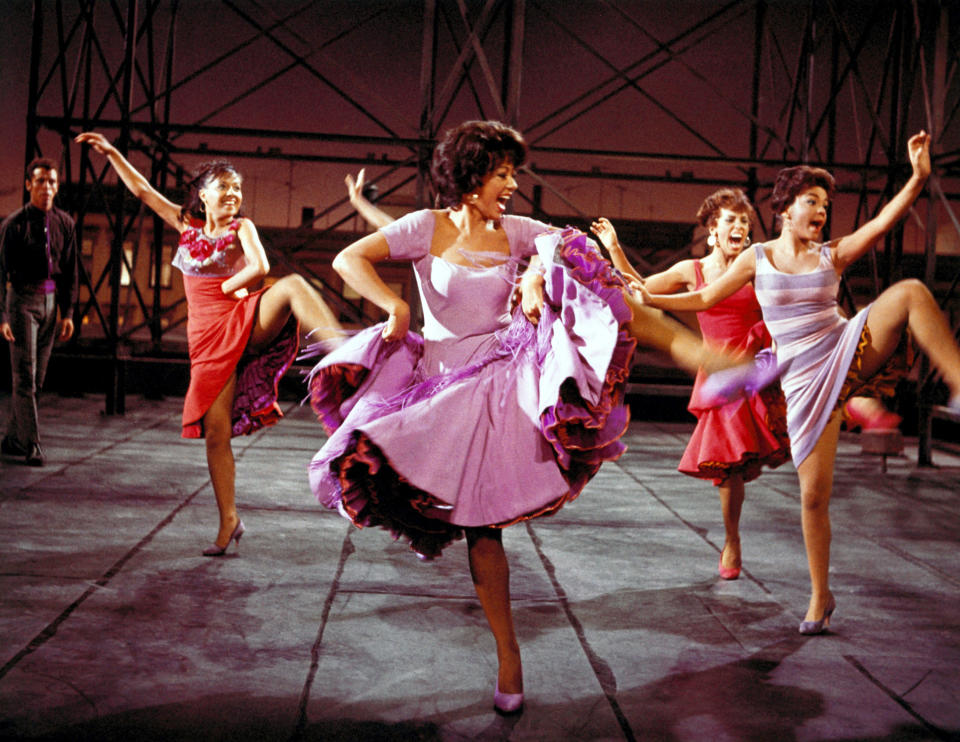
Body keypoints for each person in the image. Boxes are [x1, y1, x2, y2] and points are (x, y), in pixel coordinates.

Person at [641, 131, 960, 634]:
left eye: (826, 205)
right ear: (785, 209)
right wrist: (647, 296)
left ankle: (958, 386)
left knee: (913, 293)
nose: (822, 212)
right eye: (812, 201)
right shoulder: (758, 258)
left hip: (845, 349)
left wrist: (919, 177)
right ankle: (822, 596)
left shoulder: (833, 254)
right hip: (804, 384)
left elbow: (882, 222)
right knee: (813, 498)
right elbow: (704, 300)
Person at [76, 131, 343, 556]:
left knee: (292, 284)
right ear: (202, 196)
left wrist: (231, 288)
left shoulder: (244, 228)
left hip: (241, 319)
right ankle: (229, 520)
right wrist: (111, 154)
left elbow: (260, 266)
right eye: (224, 188)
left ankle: (345, 351)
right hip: (205, 341)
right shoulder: (186, 225)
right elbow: (143, 192)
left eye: (238, 188)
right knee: (216, 436)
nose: (233, 194)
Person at [591, 188, 791, 581]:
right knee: (728, 466)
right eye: (731, 220)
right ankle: (732, 540)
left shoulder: (758, 267)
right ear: (713, 231)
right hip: (720, 377)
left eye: (745, 222)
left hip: (759, 365)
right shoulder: (692, 271)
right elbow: (642, 291)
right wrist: (614, 250)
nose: (740, 227)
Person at [1, 158, 78, 467]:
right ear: (29, 185)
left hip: (50, 303)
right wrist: (2, 316)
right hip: (20, 301)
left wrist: (68, 312)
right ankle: (32, 443)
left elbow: (71, 271)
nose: (47, 187)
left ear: (57, 187)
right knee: (25, 377)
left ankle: (12, 438)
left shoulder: (65, 223)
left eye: (52, 182)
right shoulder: (13, 224)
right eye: (41, 181)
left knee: (38, 377)